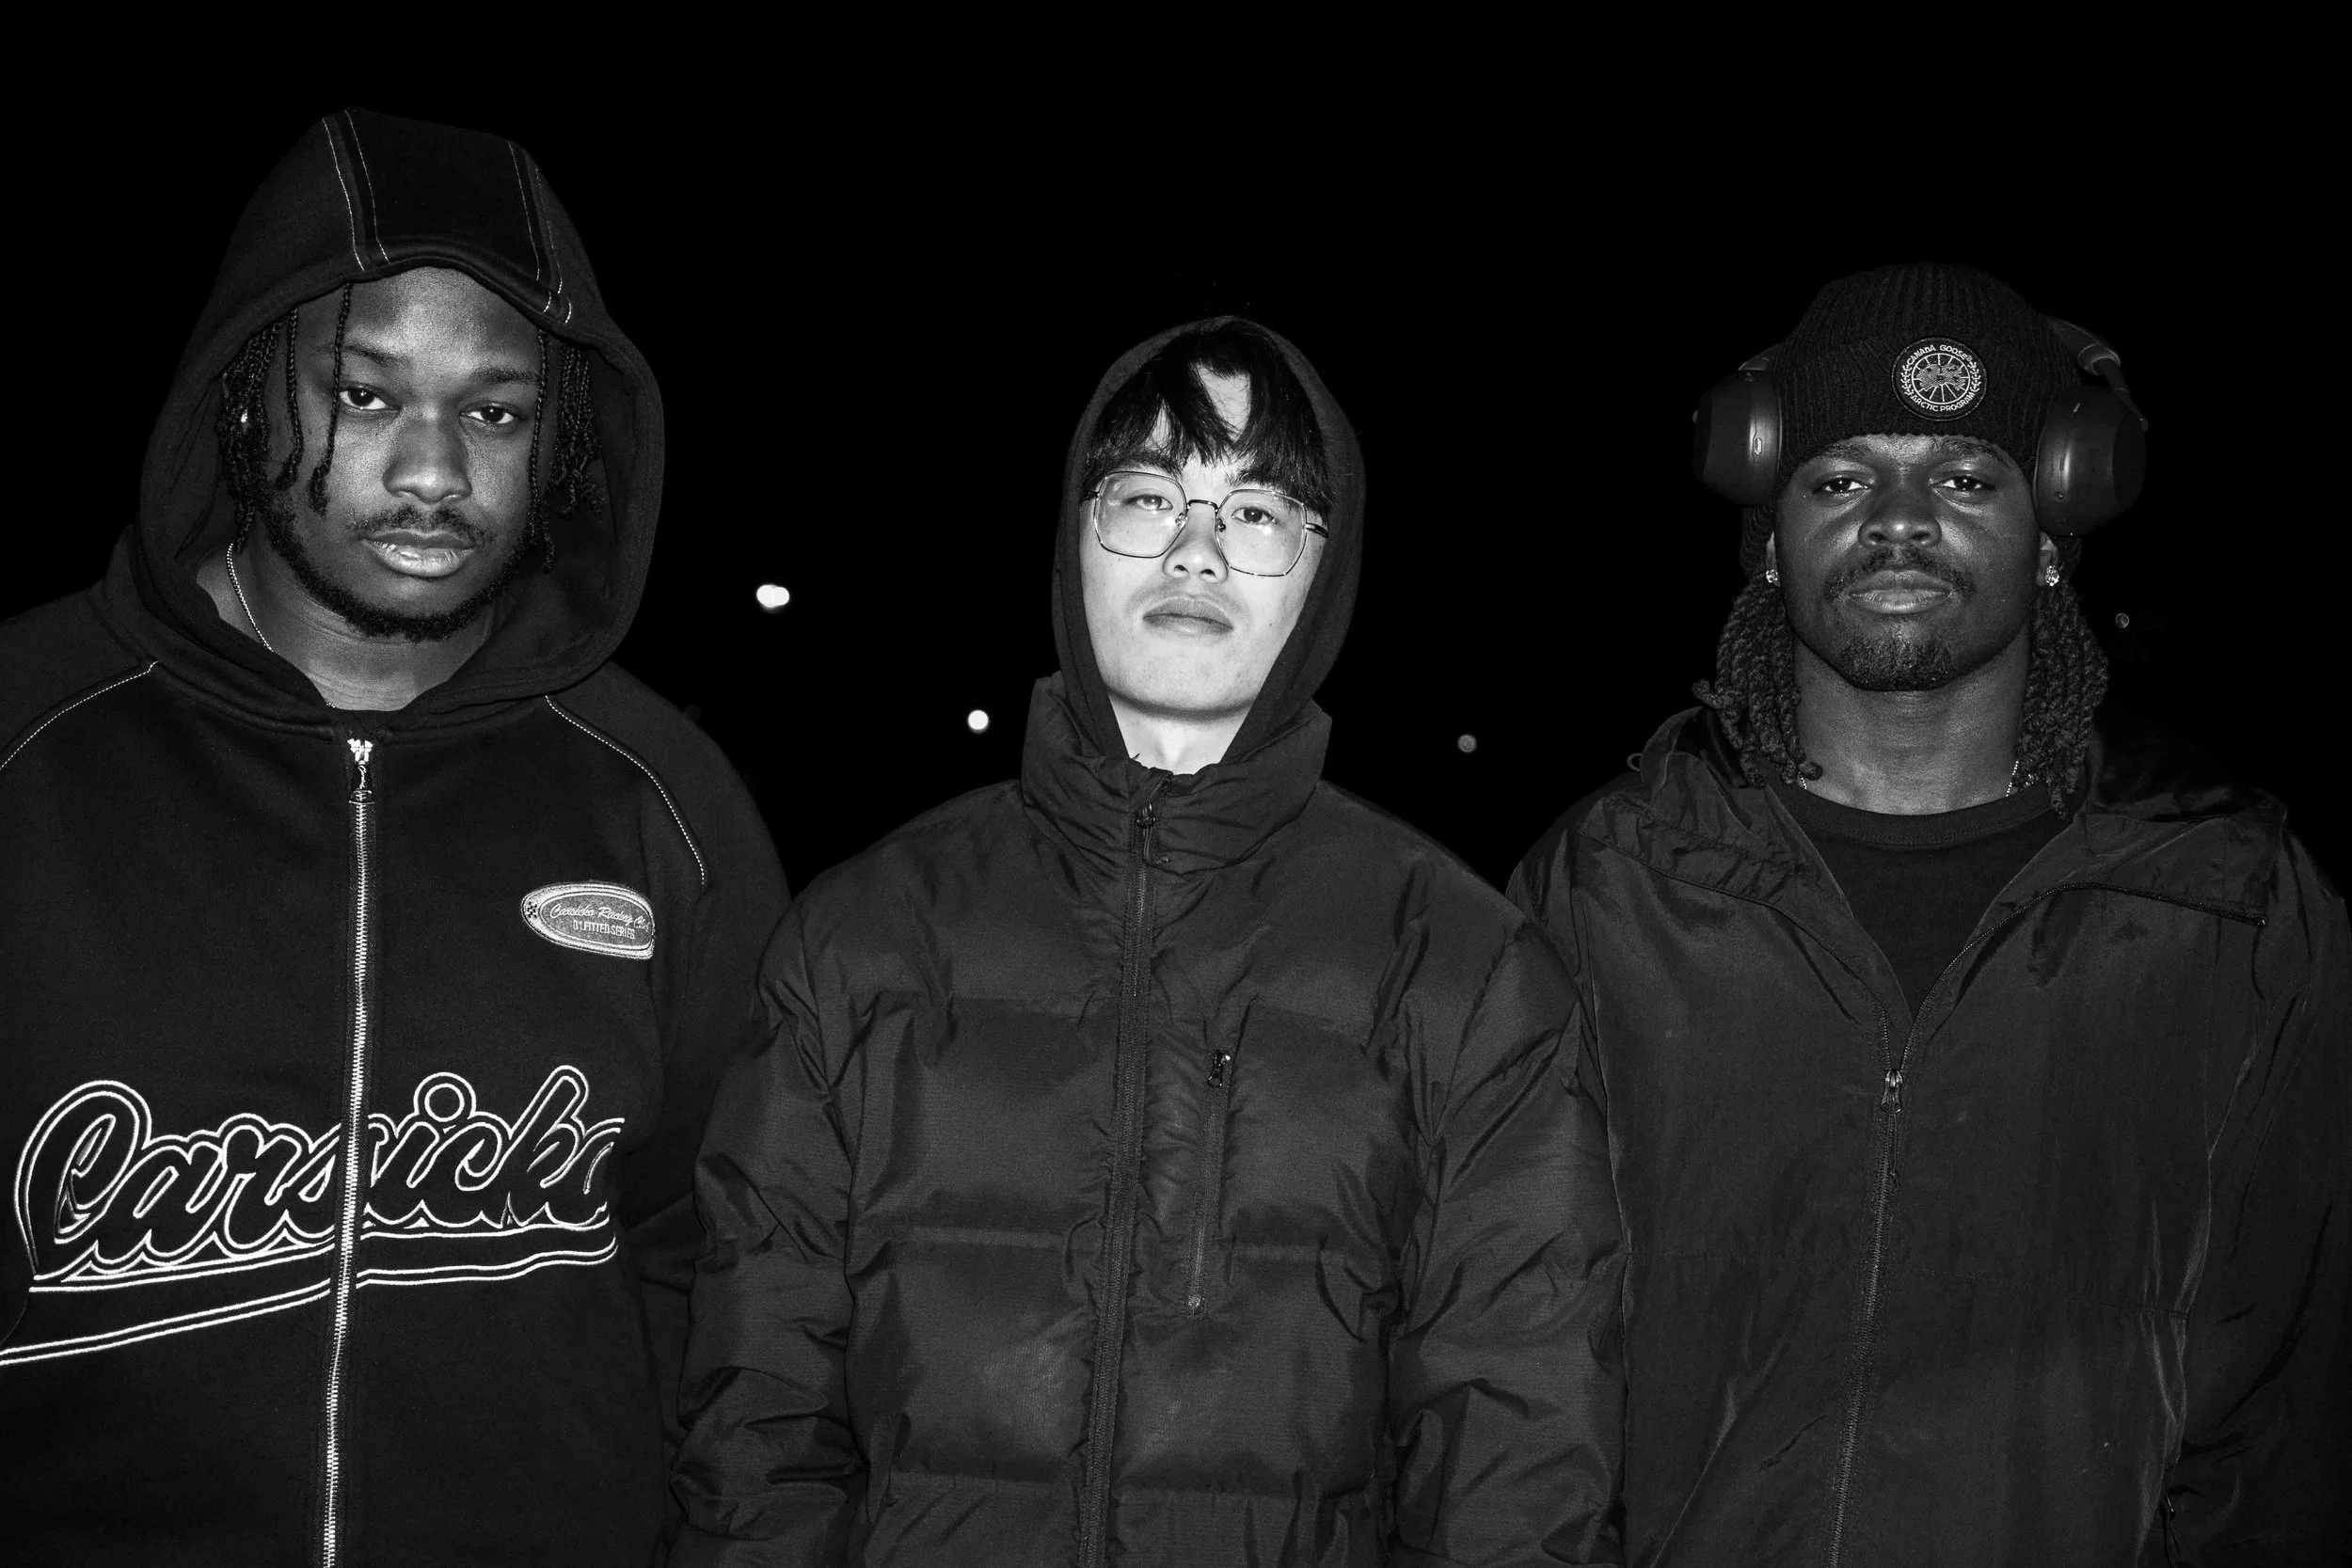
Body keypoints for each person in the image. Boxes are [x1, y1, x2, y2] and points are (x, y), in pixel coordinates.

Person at [671, 319, 1623, 1565]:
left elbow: (1519, 1466)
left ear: (1326, 572)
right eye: (1146, 493)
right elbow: (756, 1425)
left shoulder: (1469, 972)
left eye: (1258, 509)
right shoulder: (862, 937)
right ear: (1073, 538)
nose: (1193, 547)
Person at [0, 110, 786, 1565]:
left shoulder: (664, 802)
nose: (432, 471)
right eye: (365, 397)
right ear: (246, 395)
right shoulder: (29, 748)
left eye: (493, 411)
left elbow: (734, 1284)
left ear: (559, 438)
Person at [1511, 261, 2349, 1564]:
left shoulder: (2230, 911)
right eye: (1841, 481)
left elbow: (2282, 1422)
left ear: (2054, 532)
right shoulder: (1607, 887)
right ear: (1771, 539)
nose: (1899, 521)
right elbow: (1511, 1386)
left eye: (1964, 479)